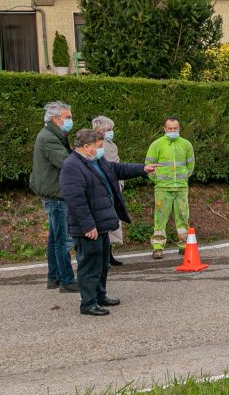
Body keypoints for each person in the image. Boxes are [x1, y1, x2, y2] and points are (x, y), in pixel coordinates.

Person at [59, 129, 156, 316]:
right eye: (99, 146)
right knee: (89, 265)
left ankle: (100, 295)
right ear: (86, 147)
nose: (102, 149)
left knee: (102, 263)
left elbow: (116, 169)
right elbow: (75, 200)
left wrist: (142, 169)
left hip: (101, 222)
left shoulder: (96, 161)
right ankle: (88, 303)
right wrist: (88, 226)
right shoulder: (72, 166)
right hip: (88, 227)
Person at [29, 101, 77, 292]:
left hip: (51, 191)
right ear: (56, 119)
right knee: (62, 239)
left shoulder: (55, 135)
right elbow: (66, 162)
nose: (70, 121)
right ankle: (66, 280)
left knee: (54, 237)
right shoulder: (49, 137)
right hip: (56, 193)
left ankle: (54, 277)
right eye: (68, 117)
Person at [145, 117, 195, 260]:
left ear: (179, 128)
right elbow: (149, 165)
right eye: (170, 128)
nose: (173, 131)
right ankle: (158, 247)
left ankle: (184, 246)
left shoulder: (186, 145)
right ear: (165, 129)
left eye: (175, 128)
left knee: (183, 217)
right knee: (160, 218)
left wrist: (184, 177)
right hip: (162, 188)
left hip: (180, 187)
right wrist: (157, 180)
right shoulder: (156, 145)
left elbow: (190, 166)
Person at [92, 116, 125, 267]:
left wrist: (121, 184)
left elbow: (118, 166)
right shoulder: (96, 146)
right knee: (104, 222)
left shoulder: (113, 146)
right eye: (109, 129)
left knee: (112, 220)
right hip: (103, 188)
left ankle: (109, 254)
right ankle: (103, 255)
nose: (111, 132)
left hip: (114, 187)